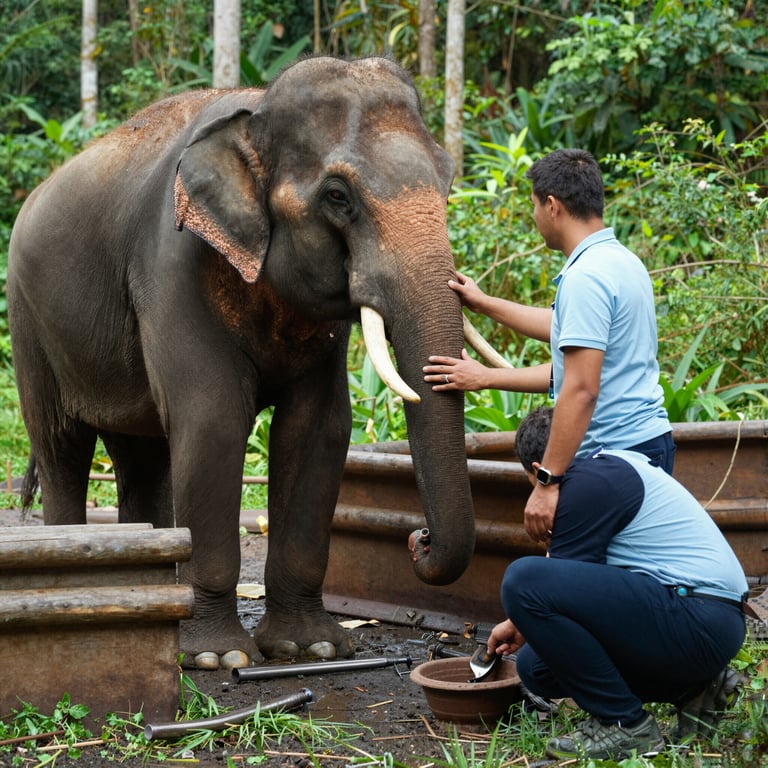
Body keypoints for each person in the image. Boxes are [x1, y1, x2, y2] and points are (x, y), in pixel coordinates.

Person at [423, 148, 674, 543]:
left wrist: (547, 481)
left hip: (616, 456)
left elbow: (580, 387)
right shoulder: (622, 262)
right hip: (647, 442)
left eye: (534, 206)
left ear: (552, 206)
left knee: (579, 577)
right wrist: (485, 306)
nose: (535, 217)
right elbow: (565, 334)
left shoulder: (586, 277)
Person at [485, 406, 749, 760]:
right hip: (702, 620)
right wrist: (520, 622)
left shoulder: (583, 482)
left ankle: (624, 725)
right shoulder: (605, 467)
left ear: (537, 470)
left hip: (696, 613)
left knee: (521, 579)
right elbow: (575, 592)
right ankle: (695, 688)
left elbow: (542, 588)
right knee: (538, 667)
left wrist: (520, 613)